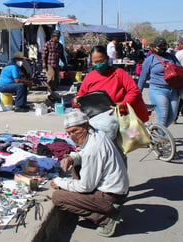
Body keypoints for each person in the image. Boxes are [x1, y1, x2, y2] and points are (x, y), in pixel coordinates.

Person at [35, 111, 129, 240]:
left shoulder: (93, 148)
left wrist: (60, 182)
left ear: (86, 125)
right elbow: (82, 153)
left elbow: (85, 187)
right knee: (75, 166)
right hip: (115, 190)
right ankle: (98, 208)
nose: (72, 136)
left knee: (58, 197)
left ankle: (104, 219)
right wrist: (70, 157)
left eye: (75, 131)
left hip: (111, 196)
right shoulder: (96, 134)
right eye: (68, 133)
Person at [74, 45, 149, 123]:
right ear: (91, 62)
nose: (99, 65)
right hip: (99, 120)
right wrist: (76, 101)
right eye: (95, 62)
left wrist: (123, 104)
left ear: (107, 58)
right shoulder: (89, 77)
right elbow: (80, 96)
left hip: (122, 118)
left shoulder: (119, 73)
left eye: (101, 61)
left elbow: (134, 91)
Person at [138, 37, 181, 127]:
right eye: (159, 46)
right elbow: (143, 77)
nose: (162, 48)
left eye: (164, 45)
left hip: (173, 90)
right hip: (157, 90)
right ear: (154, 47)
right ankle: (159, 139)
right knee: (163, 115)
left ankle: (157, 134)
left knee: (172, 117)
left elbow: (181, 70)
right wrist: (138, 93)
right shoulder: (151, 59)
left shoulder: (171, 57)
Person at [42, 30, 67, 102]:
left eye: (59, 36)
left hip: (56, 64)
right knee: (51, 77)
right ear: (53, 36)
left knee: (56, 79)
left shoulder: (59, 45)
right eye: (57, 36)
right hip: (49, 64)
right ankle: (49, 90)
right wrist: (44, 63)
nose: (58, 38)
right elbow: (44, 54)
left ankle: (52, 91)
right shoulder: (48, 44)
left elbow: (62, 55)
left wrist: (65, 63)